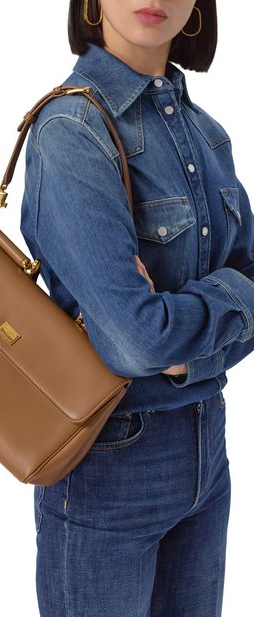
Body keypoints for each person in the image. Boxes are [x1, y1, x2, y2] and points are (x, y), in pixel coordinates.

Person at [20, 1, 254, 615]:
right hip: (110, 465)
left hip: (208, 450)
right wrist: (222, 306)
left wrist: (185, 353)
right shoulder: (71, 130)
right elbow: (138, 341)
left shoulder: (207, 134)